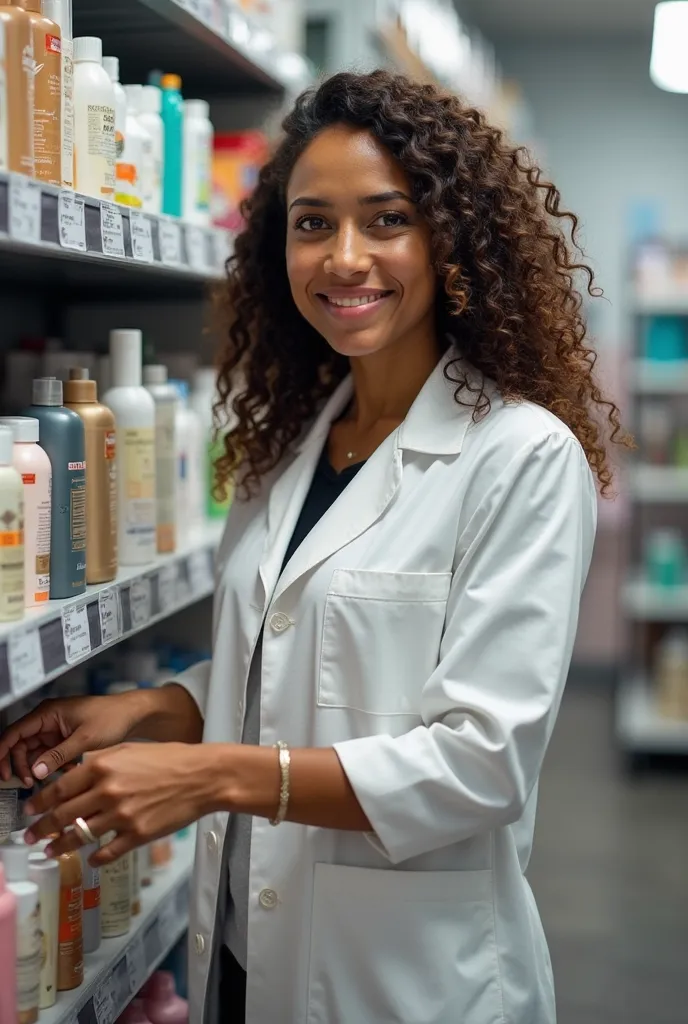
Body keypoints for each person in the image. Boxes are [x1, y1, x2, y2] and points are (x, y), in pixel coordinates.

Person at [0, 70, 627, 1024]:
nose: (344, 257)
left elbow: (483, 762)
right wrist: (160, 710)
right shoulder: (296, 438)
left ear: (452, 238)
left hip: (409, 979)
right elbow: (301, 665)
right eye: (310, 223)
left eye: (386, 220)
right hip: (253, 954)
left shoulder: (519, 454)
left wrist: (209, 774)